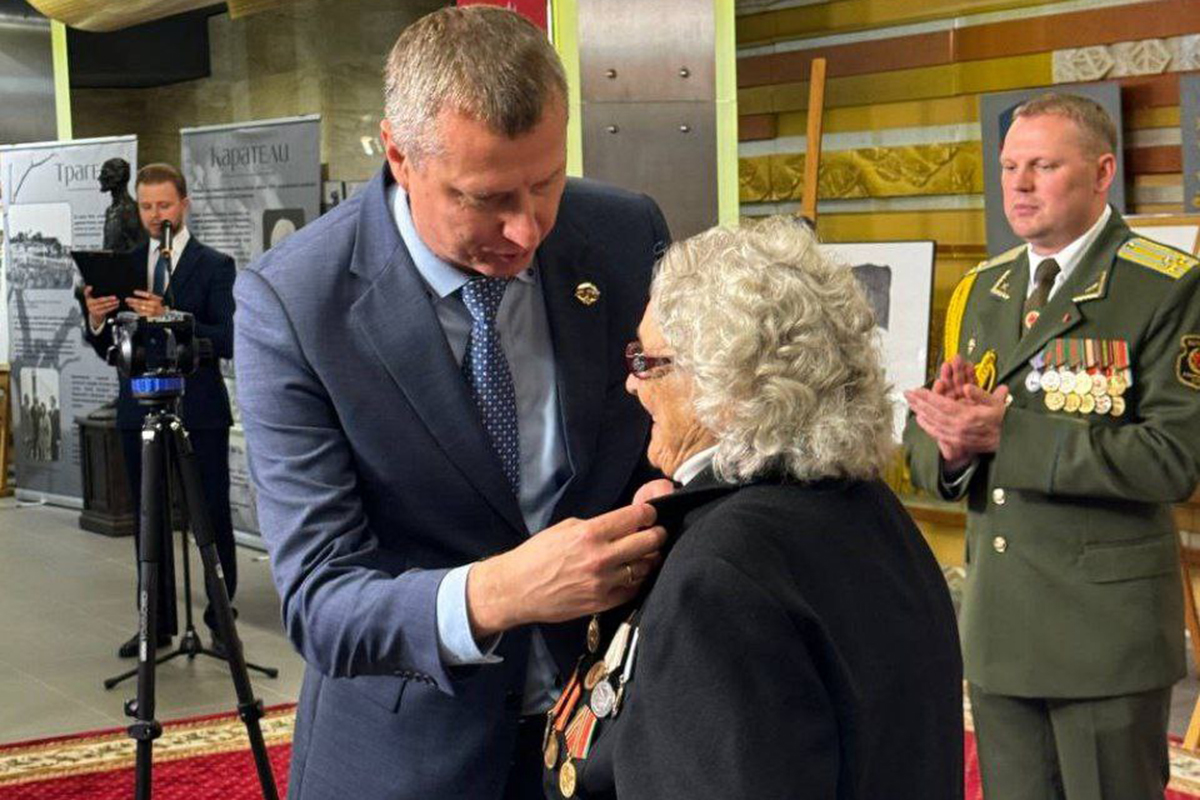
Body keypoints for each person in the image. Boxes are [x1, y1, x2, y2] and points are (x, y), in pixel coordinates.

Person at [233, 7, 671, 799]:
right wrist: (504, 590)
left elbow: (671, 433)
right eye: (486, 197)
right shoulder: (294, 303)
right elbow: (322, 601)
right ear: (399, 156)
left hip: (608, 737)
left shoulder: (623, 232)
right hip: (407, 757)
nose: (528, 227)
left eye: (546, 181)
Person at [539, 216, 963, 800]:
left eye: (648, 361)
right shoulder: (872, 510)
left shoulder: (720, 574)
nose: (632, 385)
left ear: (726, 387)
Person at [904, 92, 1200, 799]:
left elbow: (1174, 459)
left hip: (1104, 638)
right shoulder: (982, 289)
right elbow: (933, 453)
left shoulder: (1166, 287)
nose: (1019, 185)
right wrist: (948, 444)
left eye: (1043, 166)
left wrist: (1011, 435)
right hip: (1002, 632)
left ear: (1102, 174)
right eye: (1009, 166)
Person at [83, 163, 238, 660]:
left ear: (184, 205)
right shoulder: (123, 264)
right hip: (139, 405)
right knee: (149, 518)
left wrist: (171, 318)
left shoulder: (215, 266)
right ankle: (157, 625)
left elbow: (230, 339)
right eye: (147, 206)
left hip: (201, 408)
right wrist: (96, 319)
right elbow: (107, 347)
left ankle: (220, 620)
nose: (154, 215)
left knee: (209, 516)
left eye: (164, 205)